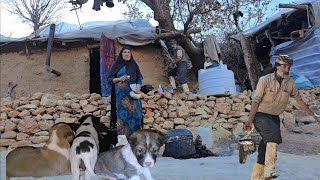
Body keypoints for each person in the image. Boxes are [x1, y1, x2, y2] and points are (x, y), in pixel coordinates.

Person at [244, 55, 320, 180]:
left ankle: (256, 177)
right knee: (273, 138)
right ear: (277, 67)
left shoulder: (290, 83)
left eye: (289, 67)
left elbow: (300, 101)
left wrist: (314, 115)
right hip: (261, 115)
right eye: (284, 66)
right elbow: (256, 101)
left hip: (274, 117)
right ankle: (269, 171)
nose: (287, 69)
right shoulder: (265, 80)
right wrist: (250, 120)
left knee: (265, 144)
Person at [108, 46, 143, 137]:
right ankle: (124, 141)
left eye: (129, 52)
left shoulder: (133, 64)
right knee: (123, 118)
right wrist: (119, 79)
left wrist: (138, 87)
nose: (127, 54)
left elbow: (139, 77)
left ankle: (137, 138)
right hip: (121, 98)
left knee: (136, 116)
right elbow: (110, 79)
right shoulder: (116, 65)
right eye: (125, 52)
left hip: (133, 95)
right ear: (121, 54)